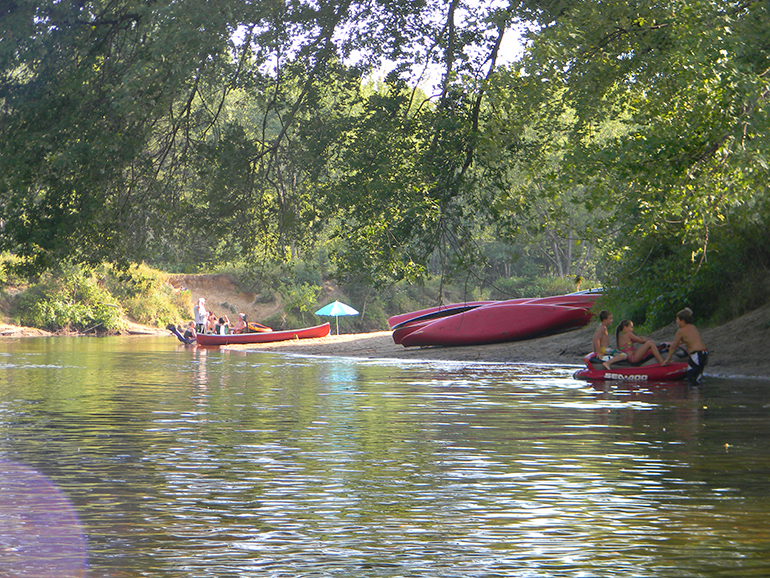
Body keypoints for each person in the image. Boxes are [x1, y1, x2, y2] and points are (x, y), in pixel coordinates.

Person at [662, 307, 709, 385]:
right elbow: (688, 340)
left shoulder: (680, 331)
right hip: (704, 354)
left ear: (682, 320)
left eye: (677, 319)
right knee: (697, 378)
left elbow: (674, 347)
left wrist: (667, 360)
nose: (676, 321)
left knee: (692, 378)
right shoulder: (693, 327)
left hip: (696, 355)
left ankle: (694, 396)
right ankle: (698, 395)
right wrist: (672, 343)